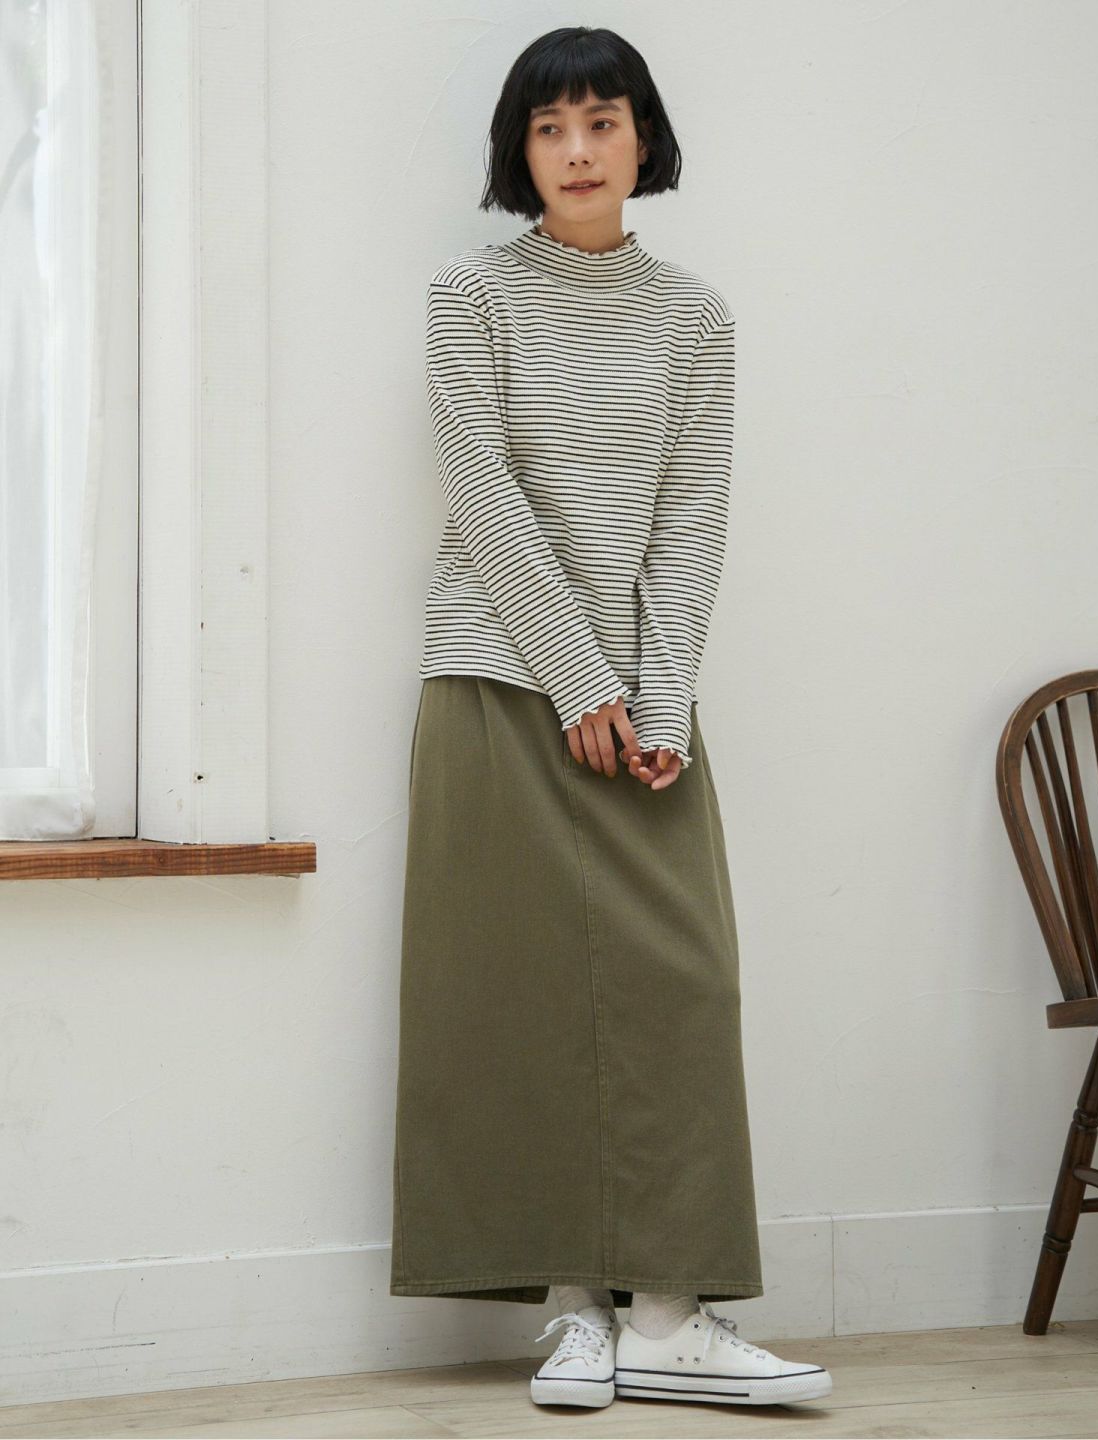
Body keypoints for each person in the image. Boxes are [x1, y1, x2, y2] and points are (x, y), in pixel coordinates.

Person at [390, 24, 833, 1412]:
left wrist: (659, 699)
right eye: (550, 128)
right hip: (495, 675)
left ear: (645, 138)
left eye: (603, 121)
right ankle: (579, 1314)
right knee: (520, 995)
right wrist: (576, 678)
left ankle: (674, 1315)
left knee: (682, 984)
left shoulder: (696, 316)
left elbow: (693, 516)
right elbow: (483, 494)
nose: (578, 151)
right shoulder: (471, 297)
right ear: (518, 153)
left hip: (645, 707)